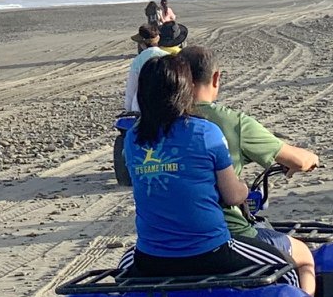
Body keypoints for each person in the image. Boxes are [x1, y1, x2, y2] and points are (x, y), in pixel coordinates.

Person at [119, 53, 297, 283]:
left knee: (123, 267)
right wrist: (244, 190)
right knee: (288, 268)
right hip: (210, 252)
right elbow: (232, 196)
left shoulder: (132, 138)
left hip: (152, 258)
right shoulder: (204, 131)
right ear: (185, 90)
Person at [184, 44, 319, 296]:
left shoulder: (152, 128)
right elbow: (297, 160)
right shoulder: (229, 123)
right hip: (225, 235)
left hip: (165, 242)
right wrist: (310, 158)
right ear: (215, 78)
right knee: (304, 257)